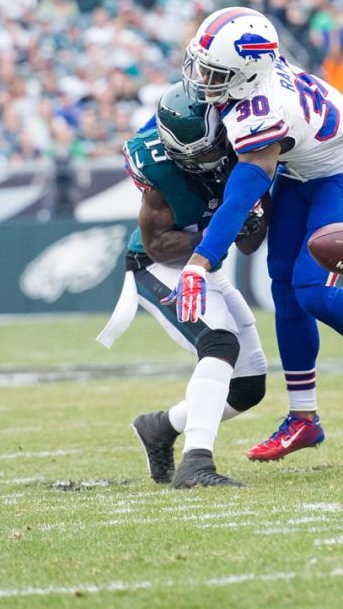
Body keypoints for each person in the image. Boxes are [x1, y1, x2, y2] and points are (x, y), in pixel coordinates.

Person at [166, 7, 343, 463]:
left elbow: (242, 196)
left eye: (214, 71)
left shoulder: (262, 111)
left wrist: (200, 262)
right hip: (302, 173)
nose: (202, 78)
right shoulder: (248, 81)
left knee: (312, 290)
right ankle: (304, 418)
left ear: (245, 75)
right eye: (201, 65)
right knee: (284, 288)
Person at [99, 83, 270, 488]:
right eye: (196, 155)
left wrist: (248, 218)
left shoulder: (245, 145)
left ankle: (161, 426)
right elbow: (159, 246)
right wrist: (213, 233)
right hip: (159, 266)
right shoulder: (159, 170)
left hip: (205, 268)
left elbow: (250, 241)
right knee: (219, 342)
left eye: (213, 150)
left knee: (248, 385)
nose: (209, 162)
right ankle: (196, 463)